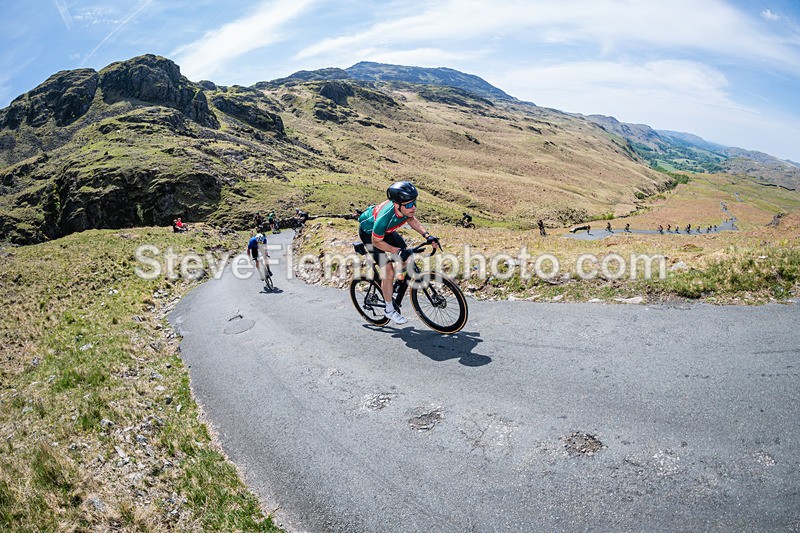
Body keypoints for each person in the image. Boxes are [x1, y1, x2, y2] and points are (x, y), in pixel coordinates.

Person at [358, 181, 439, 324]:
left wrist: (427, 236)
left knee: (408, 259)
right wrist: (397, 250)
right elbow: (377, 242)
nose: (413, 207)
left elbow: (411, 219)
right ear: (397, 205)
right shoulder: (385, 216)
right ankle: (389, 309)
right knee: (388, 271)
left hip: (387, 232)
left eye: (414, 203)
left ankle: (390, 284)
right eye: (408, 205)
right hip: (371, 236)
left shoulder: (405, 209)